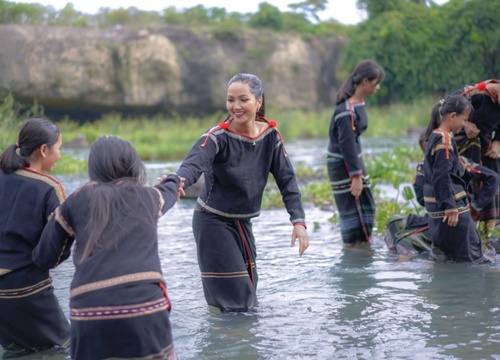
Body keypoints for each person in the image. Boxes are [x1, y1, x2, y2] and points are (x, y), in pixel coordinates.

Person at [33, 136, 183, 360]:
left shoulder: (75, 200)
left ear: (94, 167)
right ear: (132, 164)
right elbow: (169, 192)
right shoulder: (149, 197)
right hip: (145, 308)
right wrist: (172, 179)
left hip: (89, 312)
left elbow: (45, 257)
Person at [175, 73, 309, 312]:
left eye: (243, 99)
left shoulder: (271, 136)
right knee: (239, 301)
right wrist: (178, 181)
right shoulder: (218, 137)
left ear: (259, 102)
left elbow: (287, 180)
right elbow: (194, 164)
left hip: (242, 223)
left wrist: (298, 221)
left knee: (248, 293)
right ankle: (232, 345)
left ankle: (236, 344)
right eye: (230, 100)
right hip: (212, 221)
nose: (235, 106)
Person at [0, 118, 70, 357]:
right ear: (43, 150)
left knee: (17, 352)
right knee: (67, 347)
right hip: (28, 291)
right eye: (58, 148)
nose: (59, 155)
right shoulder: (49, 187)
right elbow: (58, 246)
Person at [385, 129, 499, 257]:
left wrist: (475, 206)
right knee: (395, 222)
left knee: (407, 240)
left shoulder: (459, 162)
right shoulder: (423, 166)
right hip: (437, 216)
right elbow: (421, 198)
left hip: (457, 217)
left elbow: (493, 177)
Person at [423, 95, 495, 262]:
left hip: (435, 210)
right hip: (452, 211)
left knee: (447, 258)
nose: (464, 125)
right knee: (473, 256)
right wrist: (450, 206)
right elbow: (442, 175)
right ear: (453, 116)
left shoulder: (433, 135)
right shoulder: (445, 139)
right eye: (464, 120)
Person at [326, 60, 385, 246]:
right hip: (343, 163)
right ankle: (354, 252)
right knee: (354, 211)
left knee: (366, 206)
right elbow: (347, 143)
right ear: (366, 81)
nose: (378, 87)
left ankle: (363, 247)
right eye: (376, 83)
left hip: (353, 162)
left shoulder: (358, 103)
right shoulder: (347, 110)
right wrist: (356, 175)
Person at [452, 79, 500, 229]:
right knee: (471, 182)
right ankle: (469, 224)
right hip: (465, 143)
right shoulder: (475, 93)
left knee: (494, 176)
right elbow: (447, 107)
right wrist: (465, 124)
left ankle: (489, 230)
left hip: (485, 144)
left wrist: (497, 142)